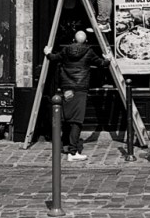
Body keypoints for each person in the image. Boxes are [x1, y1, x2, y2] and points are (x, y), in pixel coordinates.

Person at [44, 31, 110, 161]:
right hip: (80, 89)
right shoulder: (89, 51)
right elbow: (102, 64)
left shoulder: (65, 50)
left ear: (73, 39)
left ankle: (66, 146)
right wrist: (108, 59)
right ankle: (73, 152)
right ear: (85, 41)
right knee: (77, 121)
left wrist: (47, 52)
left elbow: (54, 58)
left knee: (67, 119)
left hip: (67, 88)